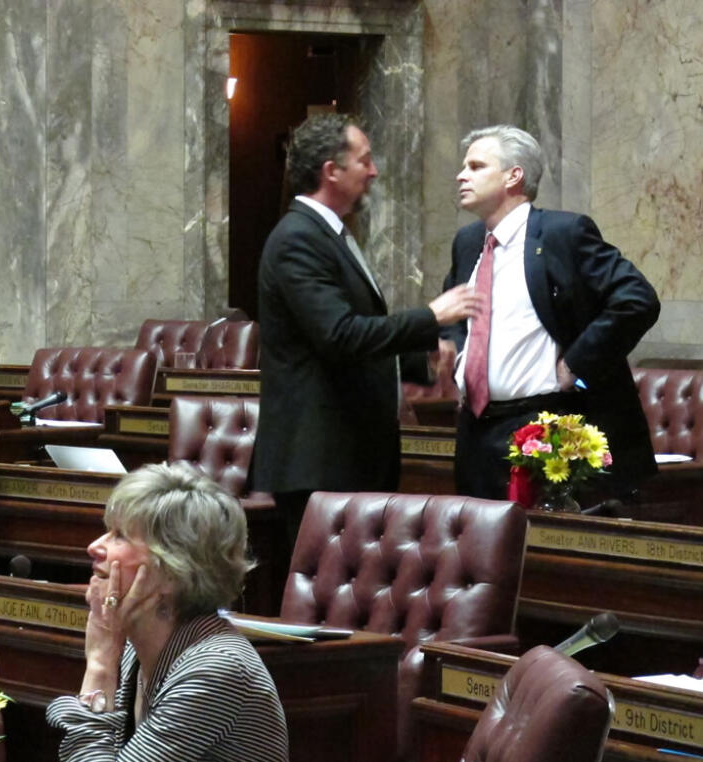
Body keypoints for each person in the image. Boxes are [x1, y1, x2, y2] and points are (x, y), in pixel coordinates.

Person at [9, 462, 316, 762]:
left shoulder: (216, 668)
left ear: (169, 572)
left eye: (117, 536)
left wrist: (98, 664)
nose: (95, 547)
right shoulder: (140, 654)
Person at [253, 113, 481, 546]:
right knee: (321, 601)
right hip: (319, 460)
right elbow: (338, 336)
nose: (374, 171)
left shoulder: (329, 234)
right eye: (365, 160)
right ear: (331, 171)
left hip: (347, 457)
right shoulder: (298, 238)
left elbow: (353, 340)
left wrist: (422, 360)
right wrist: (431, 316)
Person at [445, 124, 659, 499]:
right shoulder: (467, 243)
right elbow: (454, 311)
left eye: (476, 166)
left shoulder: (563, 234)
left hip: (546, 426)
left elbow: (636, 299)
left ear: (514, 175)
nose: (462, 175)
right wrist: (455, 350)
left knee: (542, 551)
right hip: (475, 432)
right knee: (480, 553)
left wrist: (577, 366)